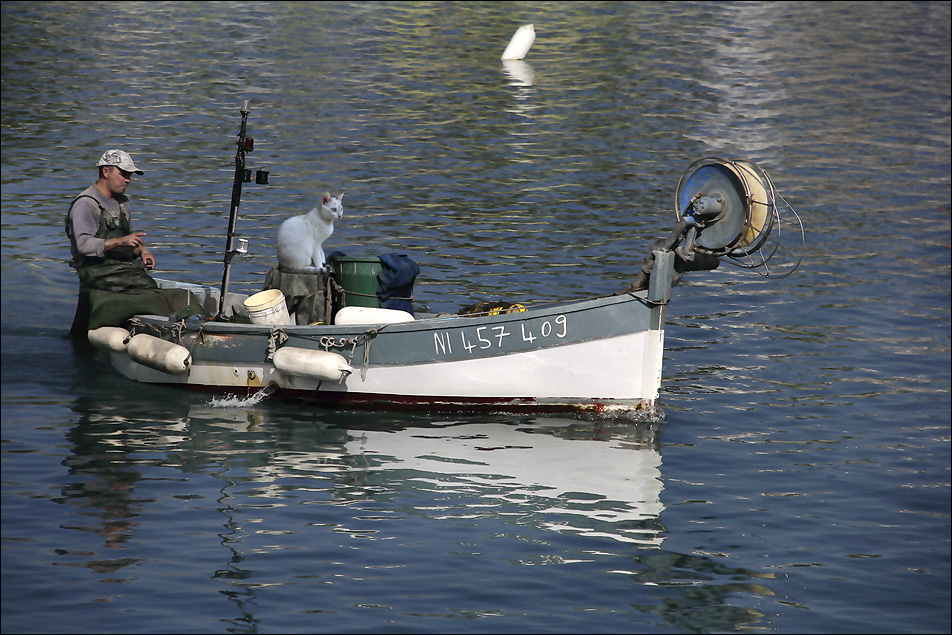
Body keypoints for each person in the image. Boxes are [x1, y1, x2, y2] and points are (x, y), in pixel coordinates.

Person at [66, 149, 158, 337]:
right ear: (105, 172)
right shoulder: (86, 203)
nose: (128, 180)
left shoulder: (122, 202)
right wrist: (121, 241)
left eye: (130, 175)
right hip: (95, 273)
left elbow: (129, 239)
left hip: (121, 269)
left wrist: (143, 252)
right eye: (123, 174)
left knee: (149, 286)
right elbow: (84, 245)